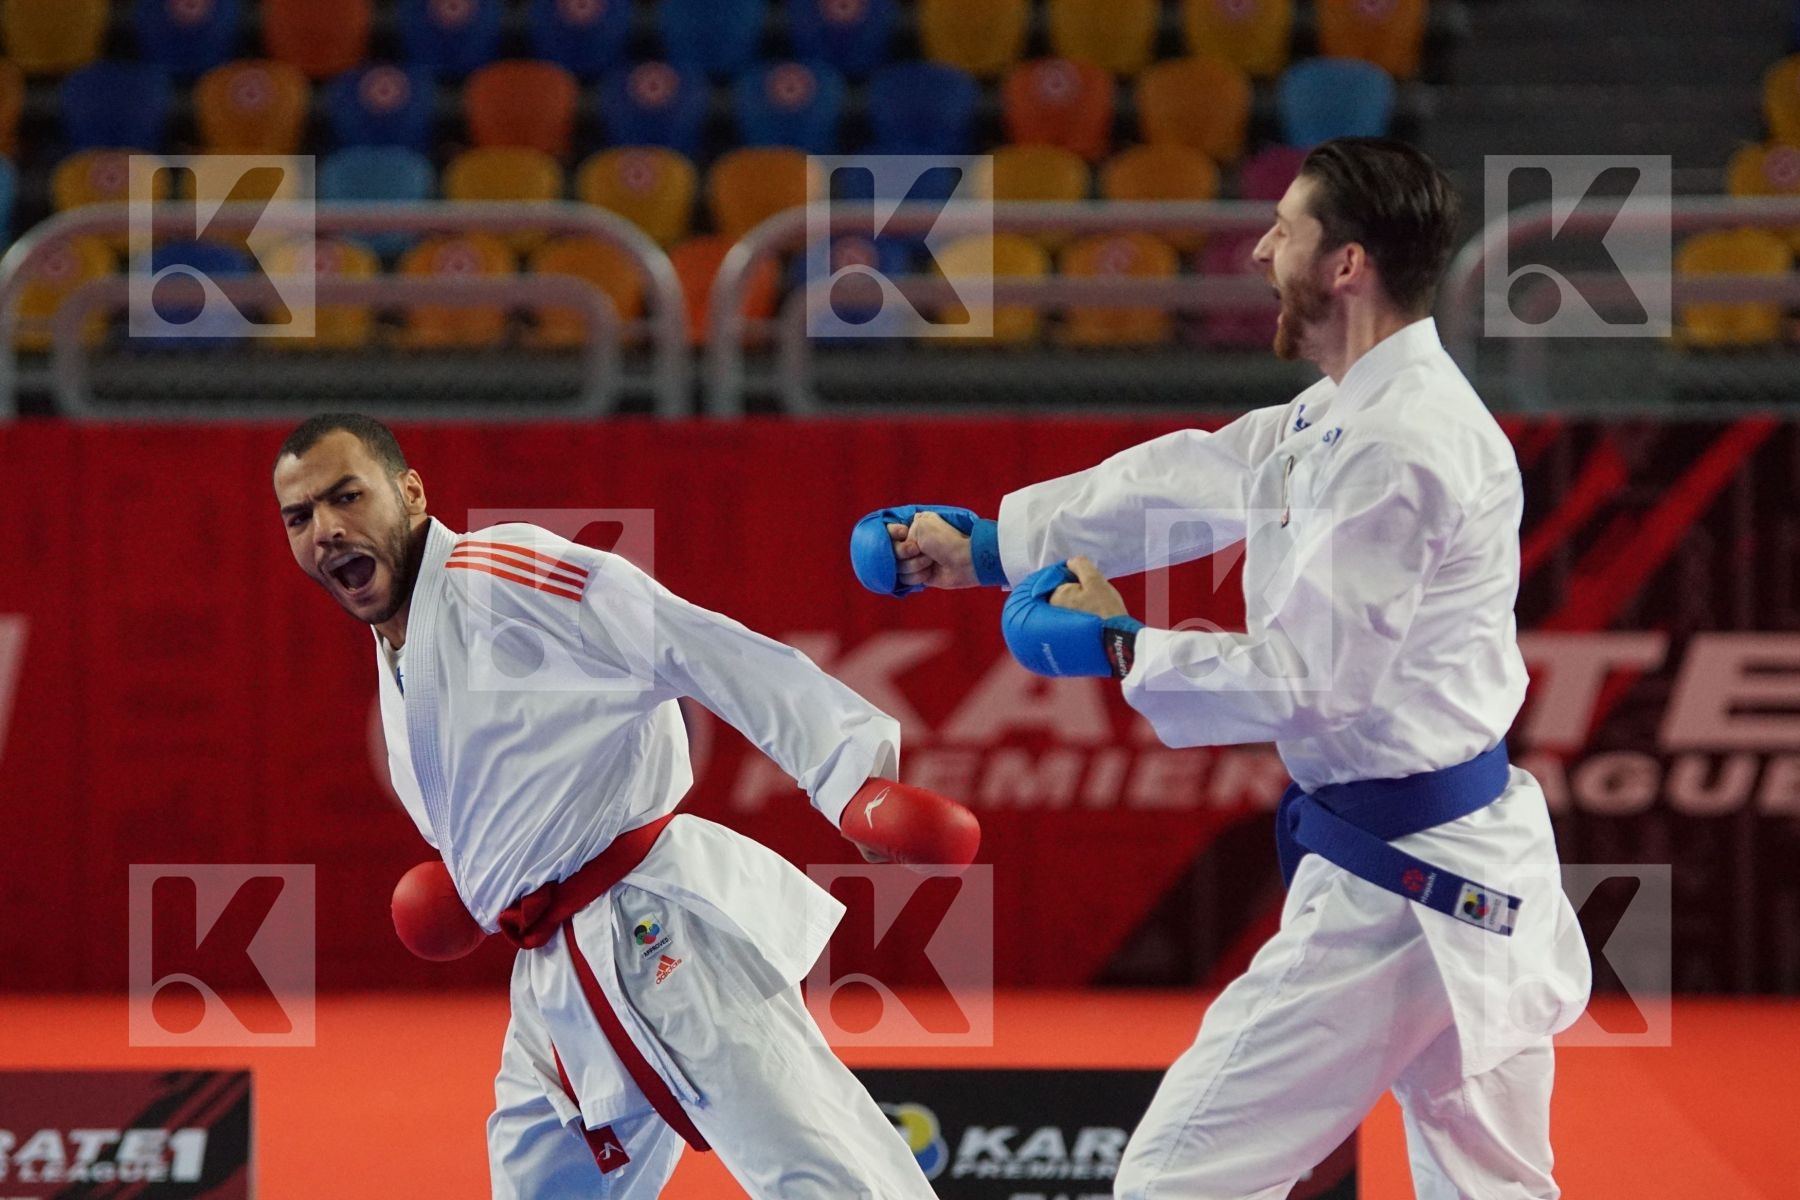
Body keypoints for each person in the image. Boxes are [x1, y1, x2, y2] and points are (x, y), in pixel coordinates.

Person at [854, 138, 1592, 1199]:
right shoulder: (1346, 409)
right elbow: (1196, 477)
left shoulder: (1401, 444)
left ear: (1345, 266)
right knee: (1491, 1187)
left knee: (1175, 1177)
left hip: (1403, 893)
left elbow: (1310, 678)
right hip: (1459, 874)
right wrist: (991, 548)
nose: (1259, 249)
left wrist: (1124, 646)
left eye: (1284, 228)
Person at [273, 413, 974, 1198]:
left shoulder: (504, 572)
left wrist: (851, 776)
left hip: (660, 932)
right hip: (553, 974)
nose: (326, 530)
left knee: (828, 1179)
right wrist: (476, 890)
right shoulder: (399, 651)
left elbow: (693, 641)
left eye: (346, 497)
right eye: (301, 517)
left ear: (409, 492)